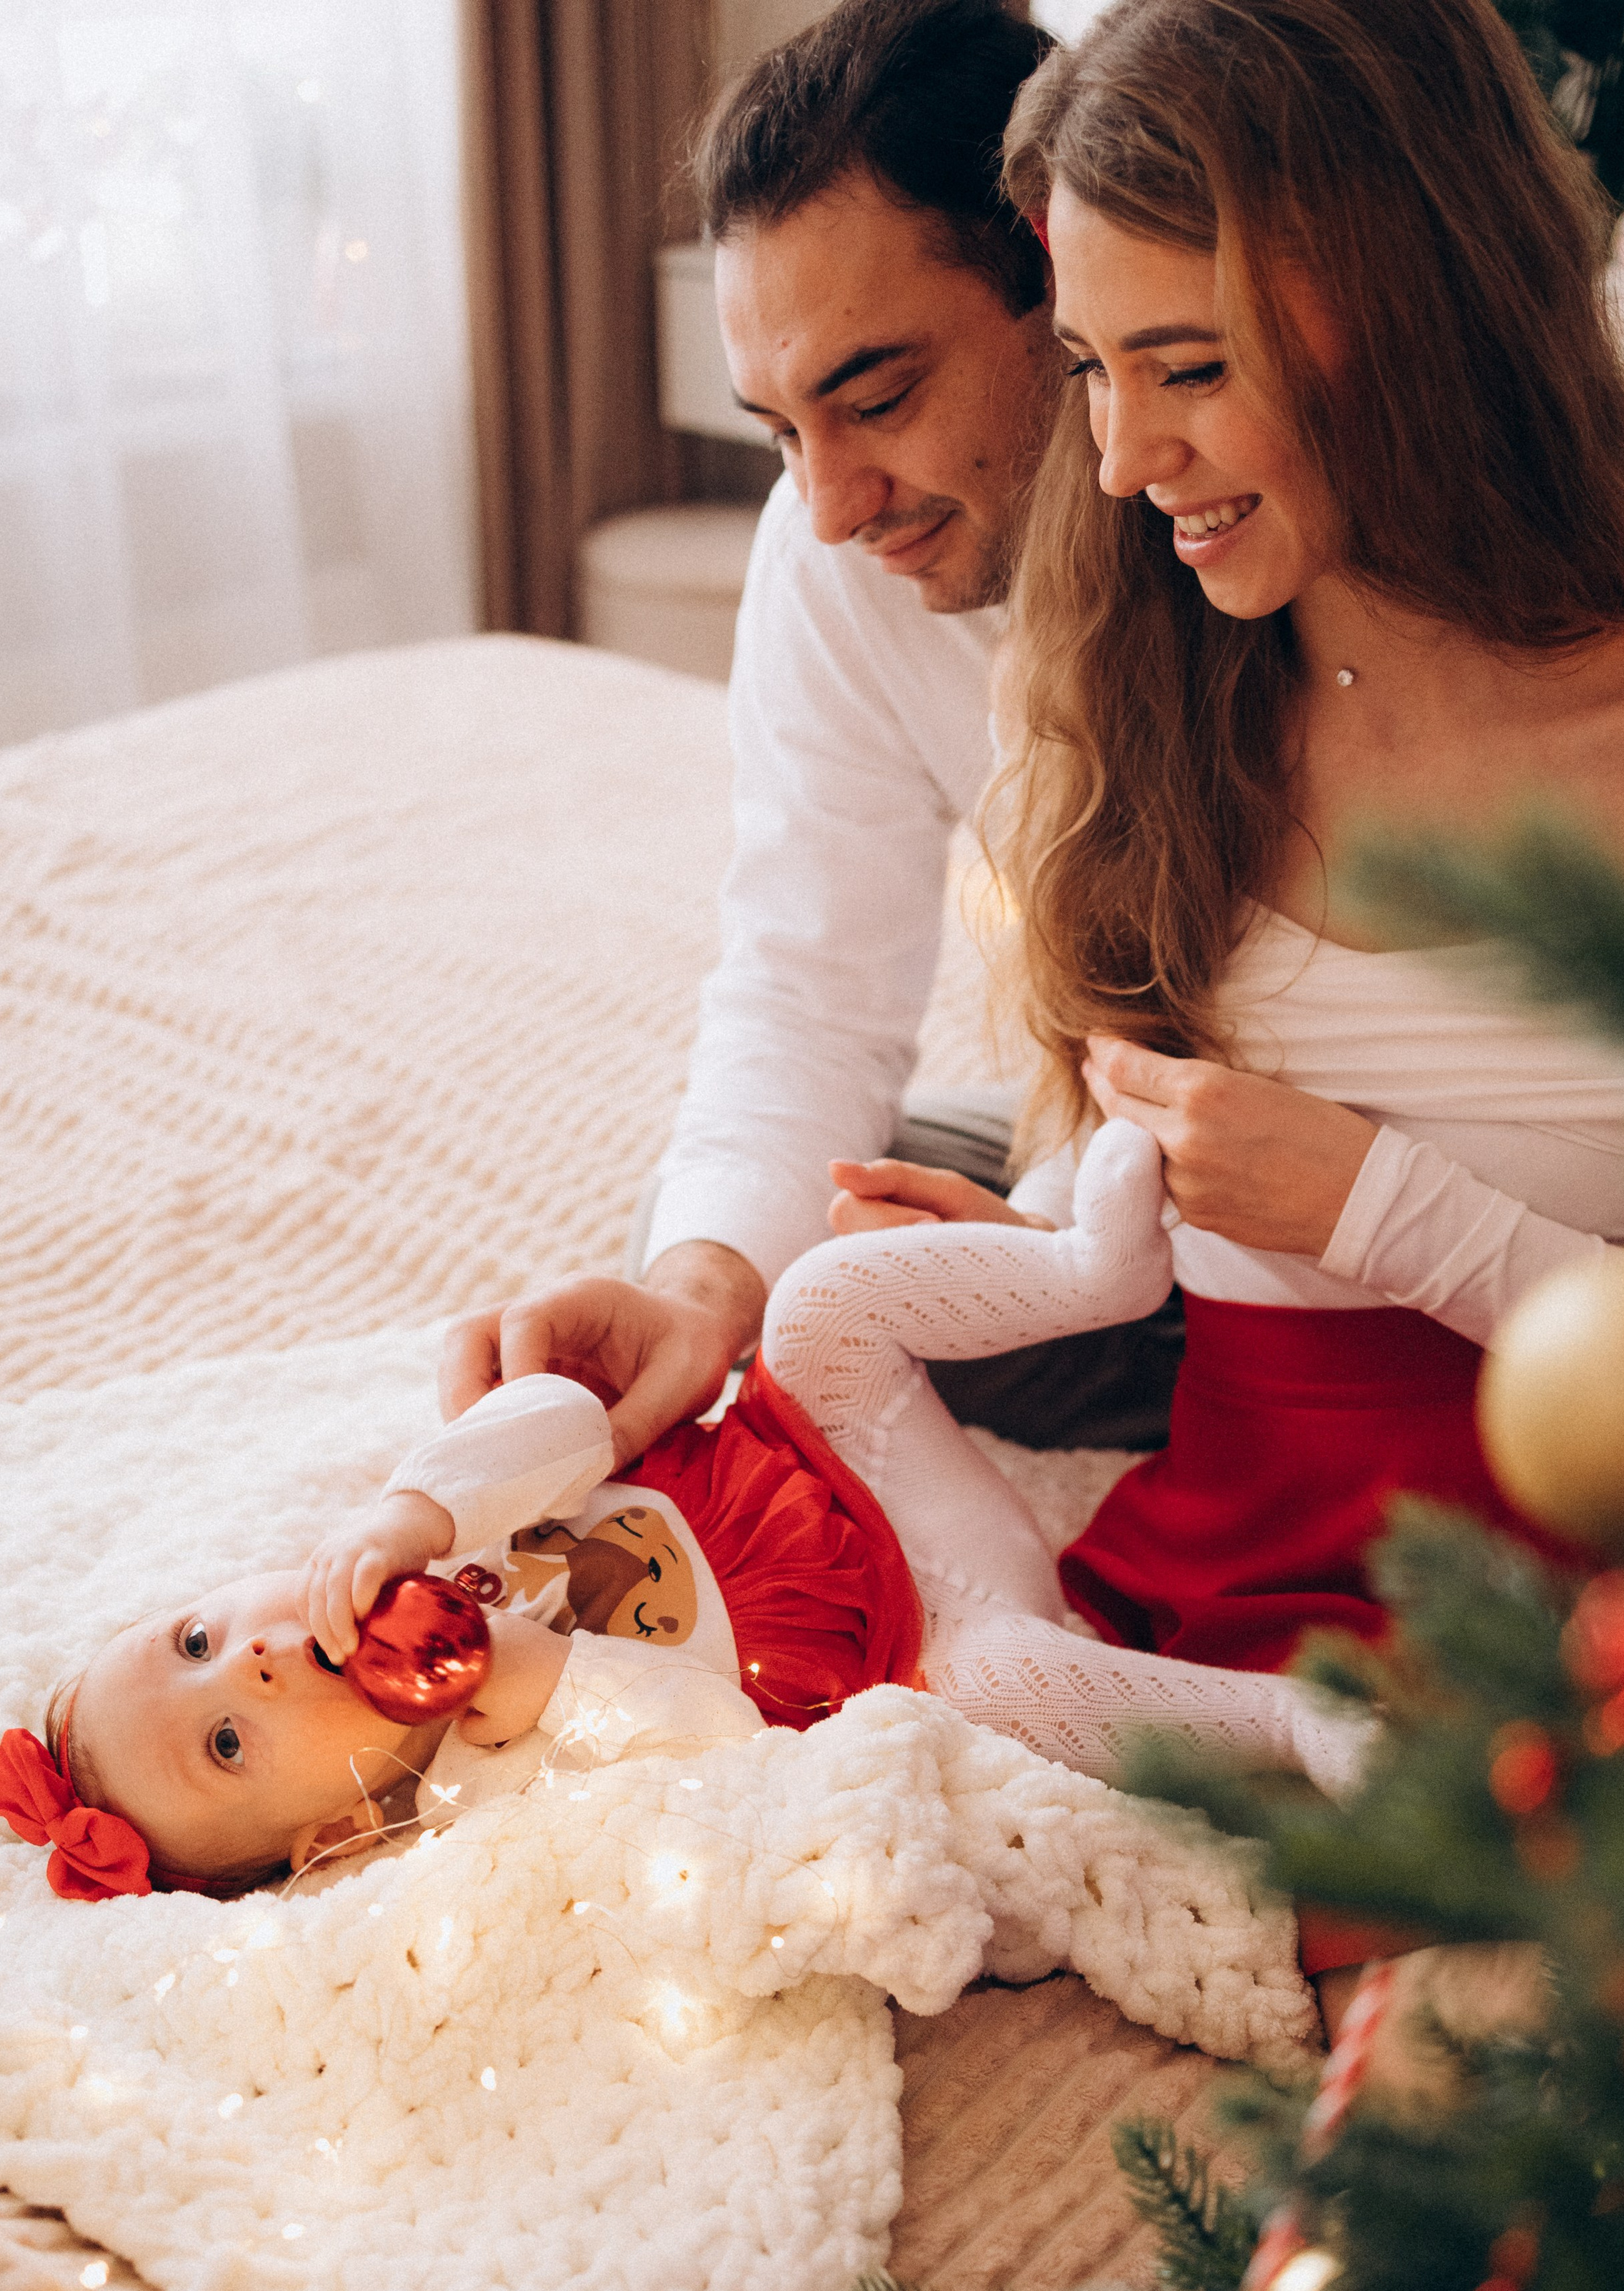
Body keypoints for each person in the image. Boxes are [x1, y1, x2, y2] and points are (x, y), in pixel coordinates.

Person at [933, 0, 1624, 2015]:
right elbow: (1124, 1216)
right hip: (1212, 1584)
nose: (1123, 465)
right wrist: (1024, 1266)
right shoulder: (1148, 704)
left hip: (1599, 1618)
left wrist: (1385, 1211)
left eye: (1187, 369)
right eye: (1091, 374)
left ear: (1411, 311)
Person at [438, 0, 1185, 1463]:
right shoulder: (827, 546)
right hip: (1098, 1156)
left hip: (1286, 1194)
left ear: (1061, 278)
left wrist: (1048, 1242)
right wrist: (702, 1291)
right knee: (736, 1241)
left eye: (877, 397)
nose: (834, 506)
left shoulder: (1237, 524)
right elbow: (804, 982)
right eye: (781, 428)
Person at [0, 1120, 1367, 1904]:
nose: (256, 1661)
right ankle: (1293, 1722)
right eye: (228, 1738)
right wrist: (530, 1680)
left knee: (817, 1293)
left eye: (196, 1639)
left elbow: (572, 1422)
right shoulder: (474, 1799)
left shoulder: (417, 1530)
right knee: (1016, 1691)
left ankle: (1089, 1275)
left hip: (814, 1452)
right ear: (327, 1838)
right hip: (910, 1625)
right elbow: (710, 1746)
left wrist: (416, 1508)